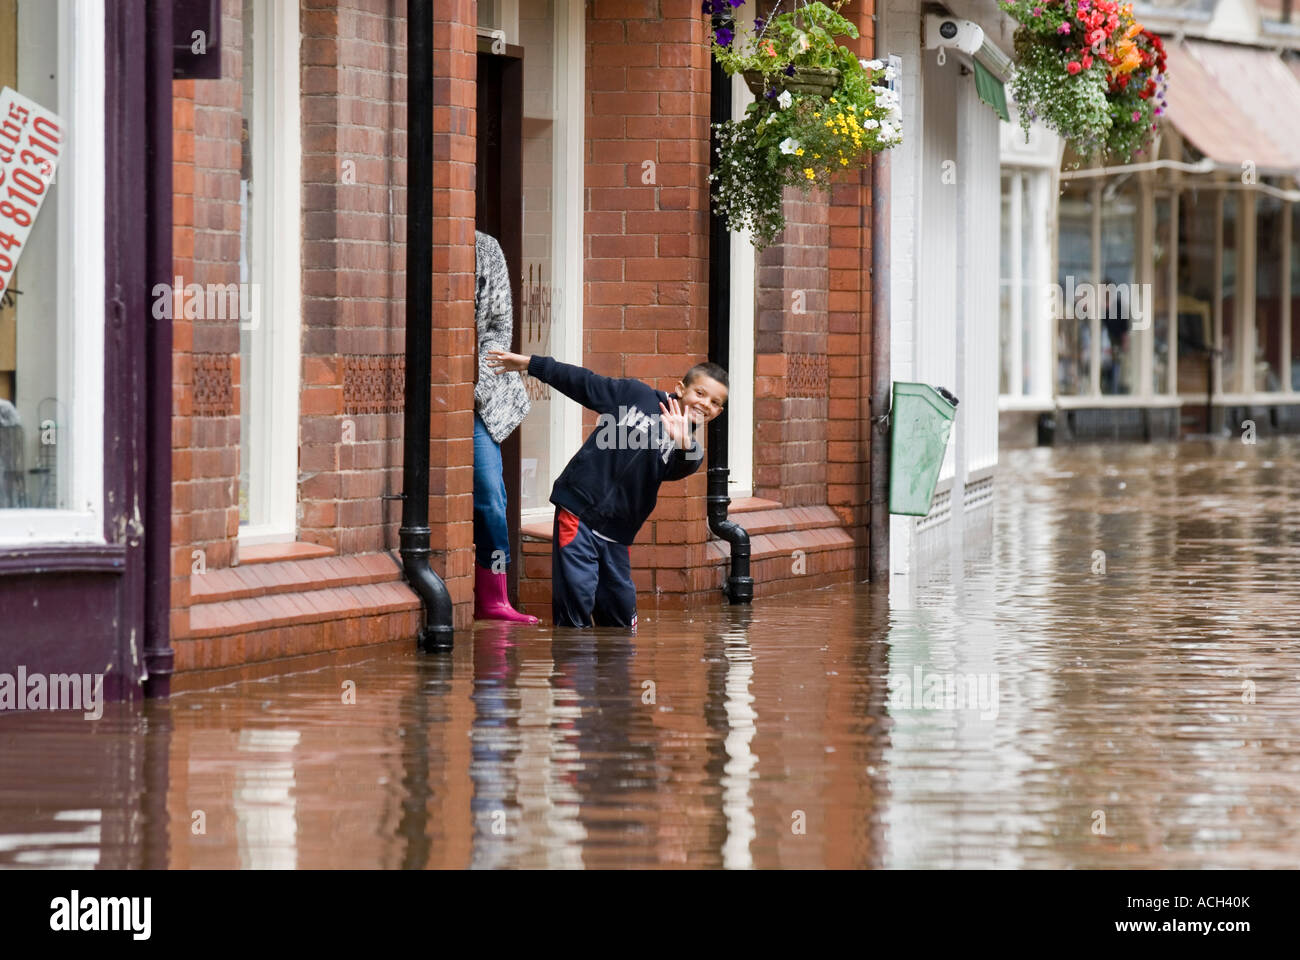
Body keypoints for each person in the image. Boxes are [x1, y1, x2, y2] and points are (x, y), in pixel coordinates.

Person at [485, 349, 728, 629]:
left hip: (616, 535)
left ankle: (613, 672)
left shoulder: (689, 448)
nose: (704, 403)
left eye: (714, 402)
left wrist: (682, 439)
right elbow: (583, 382)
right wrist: (531, 364)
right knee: (575, 603)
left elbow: (687, 464)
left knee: (621, 621)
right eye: (700, 393)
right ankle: (572, 667)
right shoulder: (635, 395)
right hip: (578, 512)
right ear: (681, 389)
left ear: (718, 412)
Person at [472, 231, 536, 623]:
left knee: (491, 493)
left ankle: (494, 597)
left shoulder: (487, 248)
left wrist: (470, 383)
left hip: (476, 398)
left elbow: (498, 329)